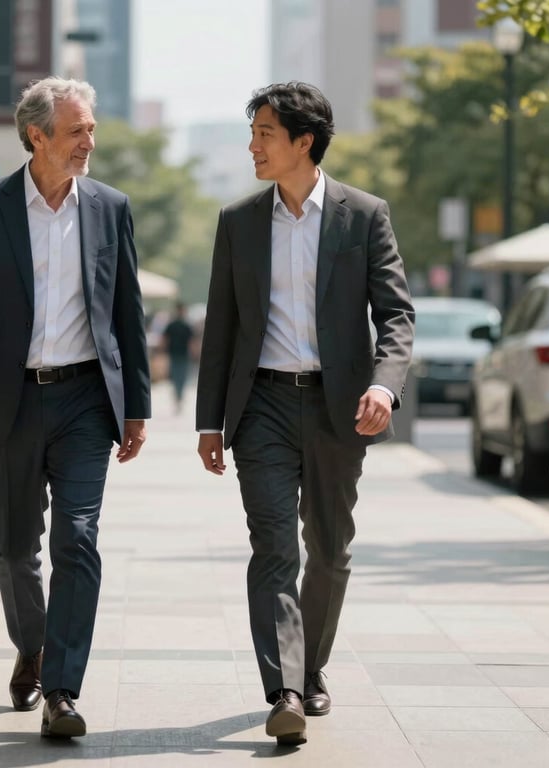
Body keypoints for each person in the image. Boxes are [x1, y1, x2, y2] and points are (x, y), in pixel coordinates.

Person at [0, 76, 151, 740]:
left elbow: (127, 315)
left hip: (87, 398)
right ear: (37, 136)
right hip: (11, 400)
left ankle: (61, 688)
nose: (90, 141)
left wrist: (135, 406)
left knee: (78, 539)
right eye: (77, 130)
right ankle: (33, 641)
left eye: (91, 129)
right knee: (16, 544)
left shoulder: (111, 208)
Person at [195, 82, 414, 746]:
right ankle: (285, 688)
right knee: (272, 548)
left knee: (328, 550)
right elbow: (222, 327)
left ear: (304, 141)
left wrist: (385, 384)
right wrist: (210, 421)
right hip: (259, 403)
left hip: (337, 407)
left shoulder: (363, 215)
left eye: (265, 133)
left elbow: (397, 316)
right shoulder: (238, 221)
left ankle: (311, 665)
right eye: (253, 132)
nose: (253, 145)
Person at [161, 301, 194, 413]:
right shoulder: (180, 325)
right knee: (178, 377)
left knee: (179, 377)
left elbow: (191, 341)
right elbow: (166, 339)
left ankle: (178, 396)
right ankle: (178, 396)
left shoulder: (180, 325)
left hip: (180, 354)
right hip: (177, 354)